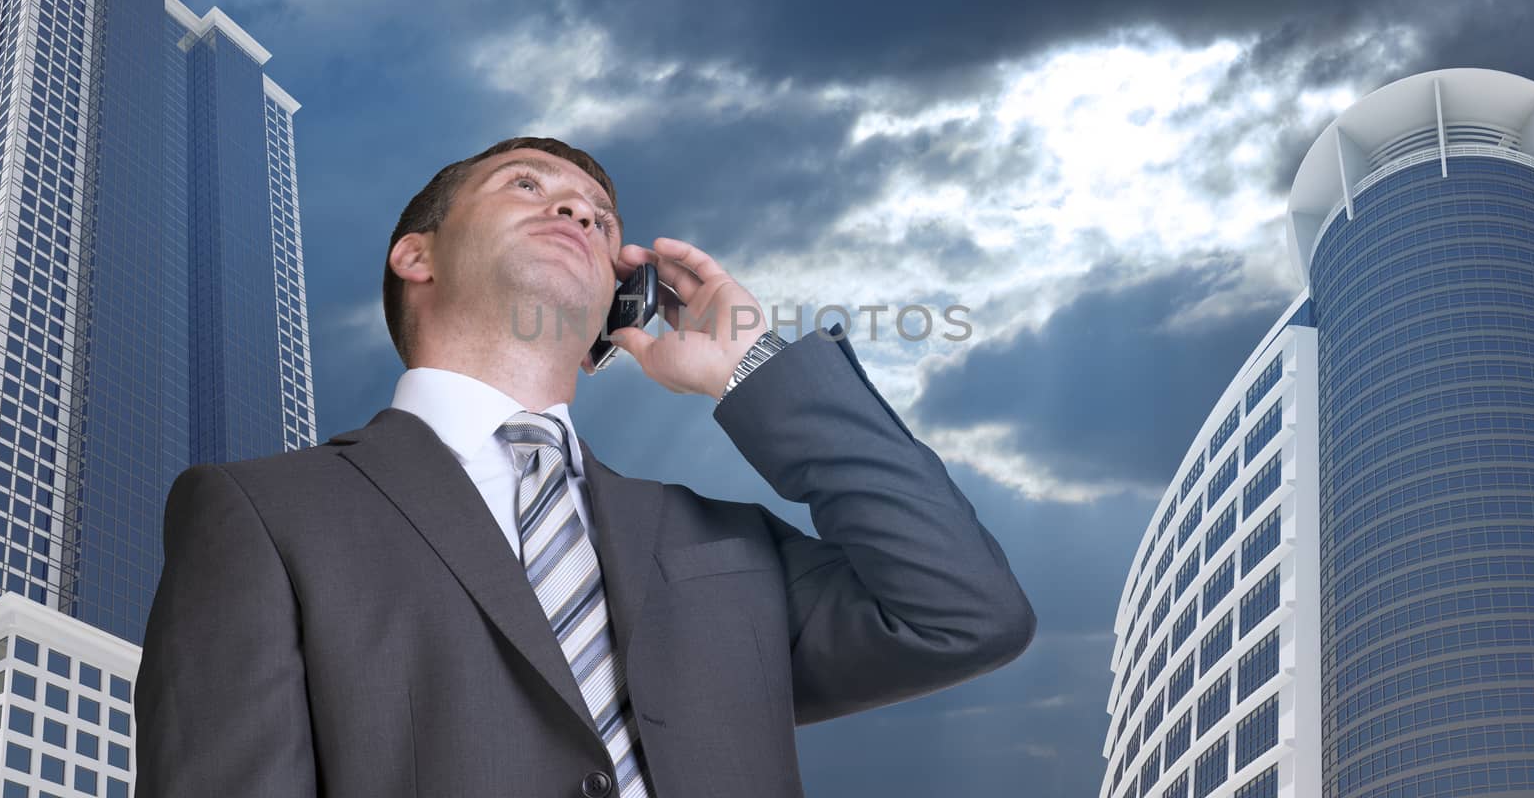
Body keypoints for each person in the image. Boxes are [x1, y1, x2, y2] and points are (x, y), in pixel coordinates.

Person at [134, 136, 1036, 798]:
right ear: (417, 255)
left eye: (601, 220)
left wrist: (751, 371)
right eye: (526, 186)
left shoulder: (719, 542)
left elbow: (965, 615)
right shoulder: (264, 513)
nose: (575, 211)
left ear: (622, 300)